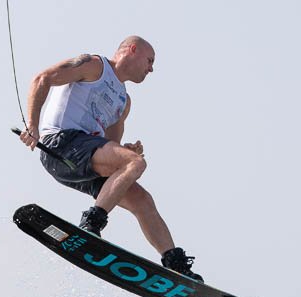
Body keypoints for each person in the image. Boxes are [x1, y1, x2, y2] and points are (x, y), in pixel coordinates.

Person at [18, 35, 203, 282]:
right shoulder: (95, 65)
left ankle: (176, 266)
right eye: (149, 60)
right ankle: (91, 224)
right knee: (135, 163)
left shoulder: (123, 102)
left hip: (85, 160)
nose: (151, 68)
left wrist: (125, 149)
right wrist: (32, 125)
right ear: (132, 50)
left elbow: (110, 146)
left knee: (142, 199)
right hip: (60, 145)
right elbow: (43, 78)